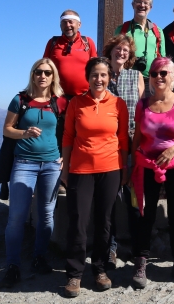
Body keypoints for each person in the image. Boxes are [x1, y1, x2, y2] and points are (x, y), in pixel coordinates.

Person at [61, 57, 130, 297]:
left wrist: (123, 170)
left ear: (109, 77)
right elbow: (68, 136)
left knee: (105, 222)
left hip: (110, 168)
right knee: (78, 222)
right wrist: (65, 169)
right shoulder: (76, 103)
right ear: (87, 77)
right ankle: (74, 274)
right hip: (80, 170)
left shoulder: (118, 104)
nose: (98, 79)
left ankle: (100, 270)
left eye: (103, 75)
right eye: (94, 75)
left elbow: (123, 140)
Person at [129, 57, 174, 288]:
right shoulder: (143, 105)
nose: (159, 77)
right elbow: (137, 137)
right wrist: (133, 161)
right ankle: (141, 261)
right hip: (147, 164)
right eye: (155, 73)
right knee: (145, 213)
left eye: (164, 73)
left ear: (172, 76)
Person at [0, 58, 67, 289]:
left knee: (46, 214)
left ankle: (39, 257)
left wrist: (64, 156)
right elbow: (7, 129)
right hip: (24, 163)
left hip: (51, 165)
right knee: (17, 216)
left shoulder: (60, 102)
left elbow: (68, 132)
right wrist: (24, 133)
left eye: (47, 72)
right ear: (32, 74)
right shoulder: (20, 100)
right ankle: (12, 265)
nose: (43, 76)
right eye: (38, 71)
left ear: (53, 76)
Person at [102, 33, 145, 269]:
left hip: (131, 140)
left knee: (132, 196)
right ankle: (111, 247)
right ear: (110, 50)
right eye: (118, 48)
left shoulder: (136, 76)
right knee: (110, 197)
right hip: (107, 142)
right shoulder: (101, 75)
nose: (122, 52)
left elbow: (140, 110)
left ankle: (138, 248)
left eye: (126, 50)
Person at [44, 10, 98, 98]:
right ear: (60, 26)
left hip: (84, 97)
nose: (67, 25)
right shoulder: (53, 42)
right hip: (57, 97)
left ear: (79, 25)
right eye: (64, 23)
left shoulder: (88, 42)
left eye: (70, 22)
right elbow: (44, 67)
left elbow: (96, 68)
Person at [114, 0, 166, 80]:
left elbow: (163, 60)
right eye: (138, 2)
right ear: (132, 5)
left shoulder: (158, 31)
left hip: (152, 80)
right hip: (127, 79)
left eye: (146, 3)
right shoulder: (122, 29)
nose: (142, 5)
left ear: (150, 7)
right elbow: (112, 55)